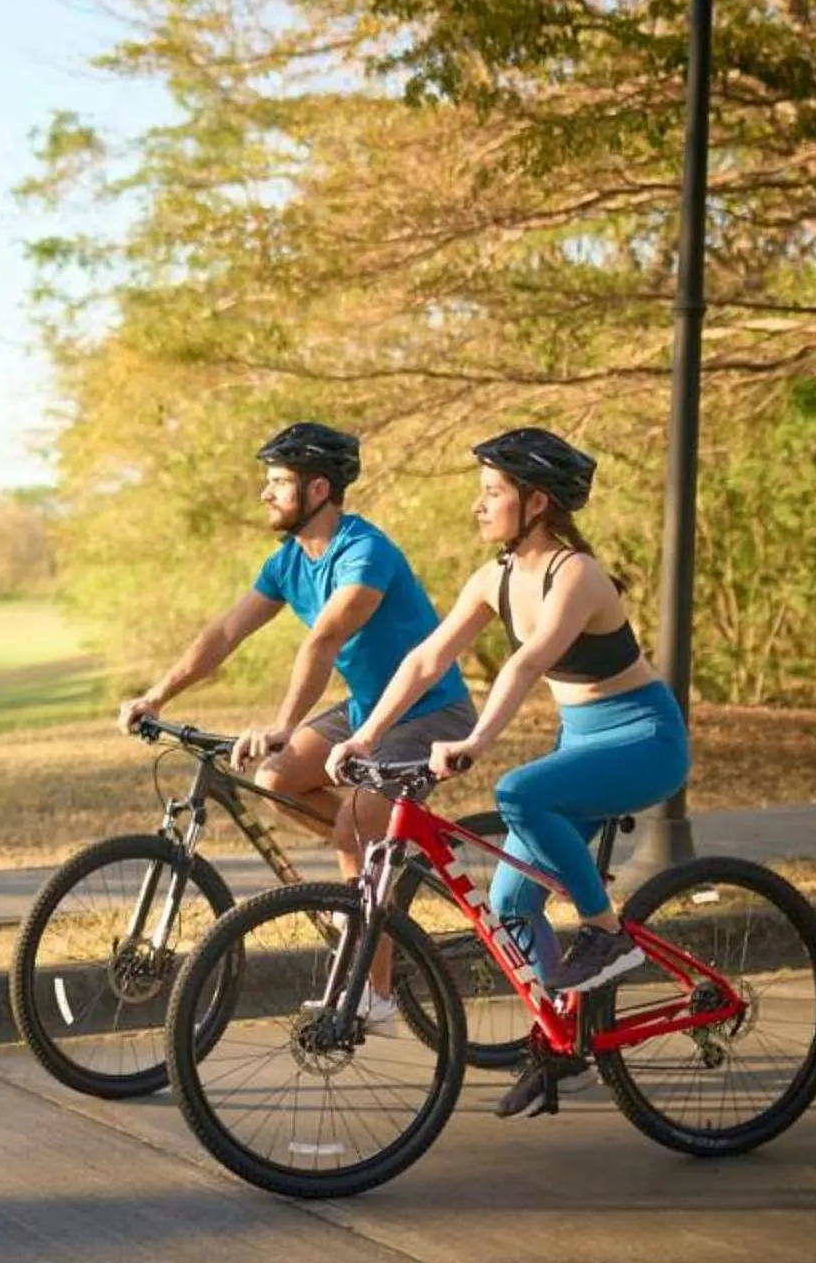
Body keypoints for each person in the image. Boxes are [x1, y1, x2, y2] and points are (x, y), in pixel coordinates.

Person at [331, 427, 690, 1119]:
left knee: (518, 791)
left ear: (537, 503)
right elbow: (425, 662)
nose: (480, 505)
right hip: (583, 744)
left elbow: (528, 663)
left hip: (644, 740)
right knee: (508, 905)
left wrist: (473, 739)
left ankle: (605, 930)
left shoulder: (577, 574)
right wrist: (367, 735)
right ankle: (562, 1043)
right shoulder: (494, 578)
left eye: (493, 493)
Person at [118, 422, 480, 1027]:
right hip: (370, 707)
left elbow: (326, 636)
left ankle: (377, 994)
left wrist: (286, 721)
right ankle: (375, 861)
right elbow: (226, 633)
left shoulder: (365, 552)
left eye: (278, 482)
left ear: (318, 490)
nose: (266, 494)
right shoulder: (288, 561)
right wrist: (156, 696)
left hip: (429, 712)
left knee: (352, 834)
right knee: (280, 777)